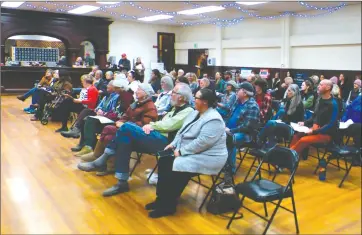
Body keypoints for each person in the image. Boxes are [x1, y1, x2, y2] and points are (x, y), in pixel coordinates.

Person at [77, 83, 195, 196]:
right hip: (156, 136)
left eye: (174, 92)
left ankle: (102, 159)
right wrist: (152, 125)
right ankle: (121, 182)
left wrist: (151, 125)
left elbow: (169, 125)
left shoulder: (188, 111)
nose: (171, 94)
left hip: (167, 144)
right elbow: (162, 123)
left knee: (126, 127)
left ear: (182, 97)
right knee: (125, 141)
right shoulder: (175, 108)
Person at [144, 88, 227, 218]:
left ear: (205, 102)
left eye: (197, 98)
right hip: (193, 152)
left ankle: (168, 206)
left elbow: (202, 143)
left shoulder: (214, 119)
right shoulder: (195, 113)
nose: (194, 100)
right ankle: (161, 200)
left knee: (176, 166)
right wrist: (173, 144)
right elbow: (181, 132)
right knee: (164, 161)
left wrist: (181, 152)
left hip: (209, 157)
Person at [224, 82, 260, 187]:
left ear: (244, 93)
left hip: (246, 135)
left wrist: (231, 130)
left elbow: (247, 128)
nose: (236, 92)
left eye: (238, 90)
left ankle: (229, 170)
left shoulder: (253, 106)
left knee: (229, 139)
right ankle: (222, 164)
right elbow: (229, 115)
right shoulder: (237, 101)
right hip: (229, 130)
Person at [290, 80, 339, 154]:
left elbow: (331, 124)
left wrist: (314, 131)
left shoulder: (333, 104)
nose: (318, 86)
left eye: (321, 85)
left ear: (328, 87)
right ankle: (291, 157)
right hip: (315, 129)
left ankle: (288, 157)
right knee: (296, 136)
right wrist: (304, 123)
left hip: (326, 134)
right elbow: (314, 116)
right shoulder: (319, 100)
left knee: (303, 140)